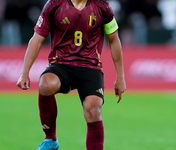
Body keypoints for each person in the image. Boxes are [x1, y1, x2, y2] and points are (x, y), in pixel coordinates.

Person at [17, 0, 126, 149]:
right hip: (61, 64)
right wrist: (25, 72)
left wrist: (120, 77)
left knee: (93, 109)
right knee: (45, 84)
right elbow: (36, 40)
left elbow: (114, 41)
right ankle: (50, 140)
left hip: (91, 67)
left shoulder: (103, 6)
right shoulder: (53, 5)